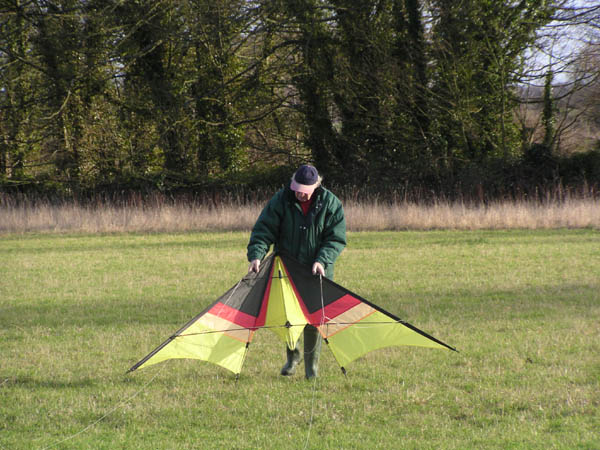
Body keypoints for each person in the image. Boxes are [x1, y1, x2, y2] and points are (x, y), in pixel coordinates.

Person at [247, 164, 346, 379]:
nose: (300, 193)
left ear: (316, 187)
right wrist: (256, 254)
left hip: (317, 270)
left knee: (313, 320)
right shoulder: (281, 199)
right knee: (288, 316)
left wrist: (322, 260)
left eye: (305, 190)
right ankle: (294, 356)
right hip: (286, 268)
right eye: (296, 188)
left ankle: (312, 368)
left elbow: (335, 239)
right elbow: (264, 230)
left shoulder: (331, 203)